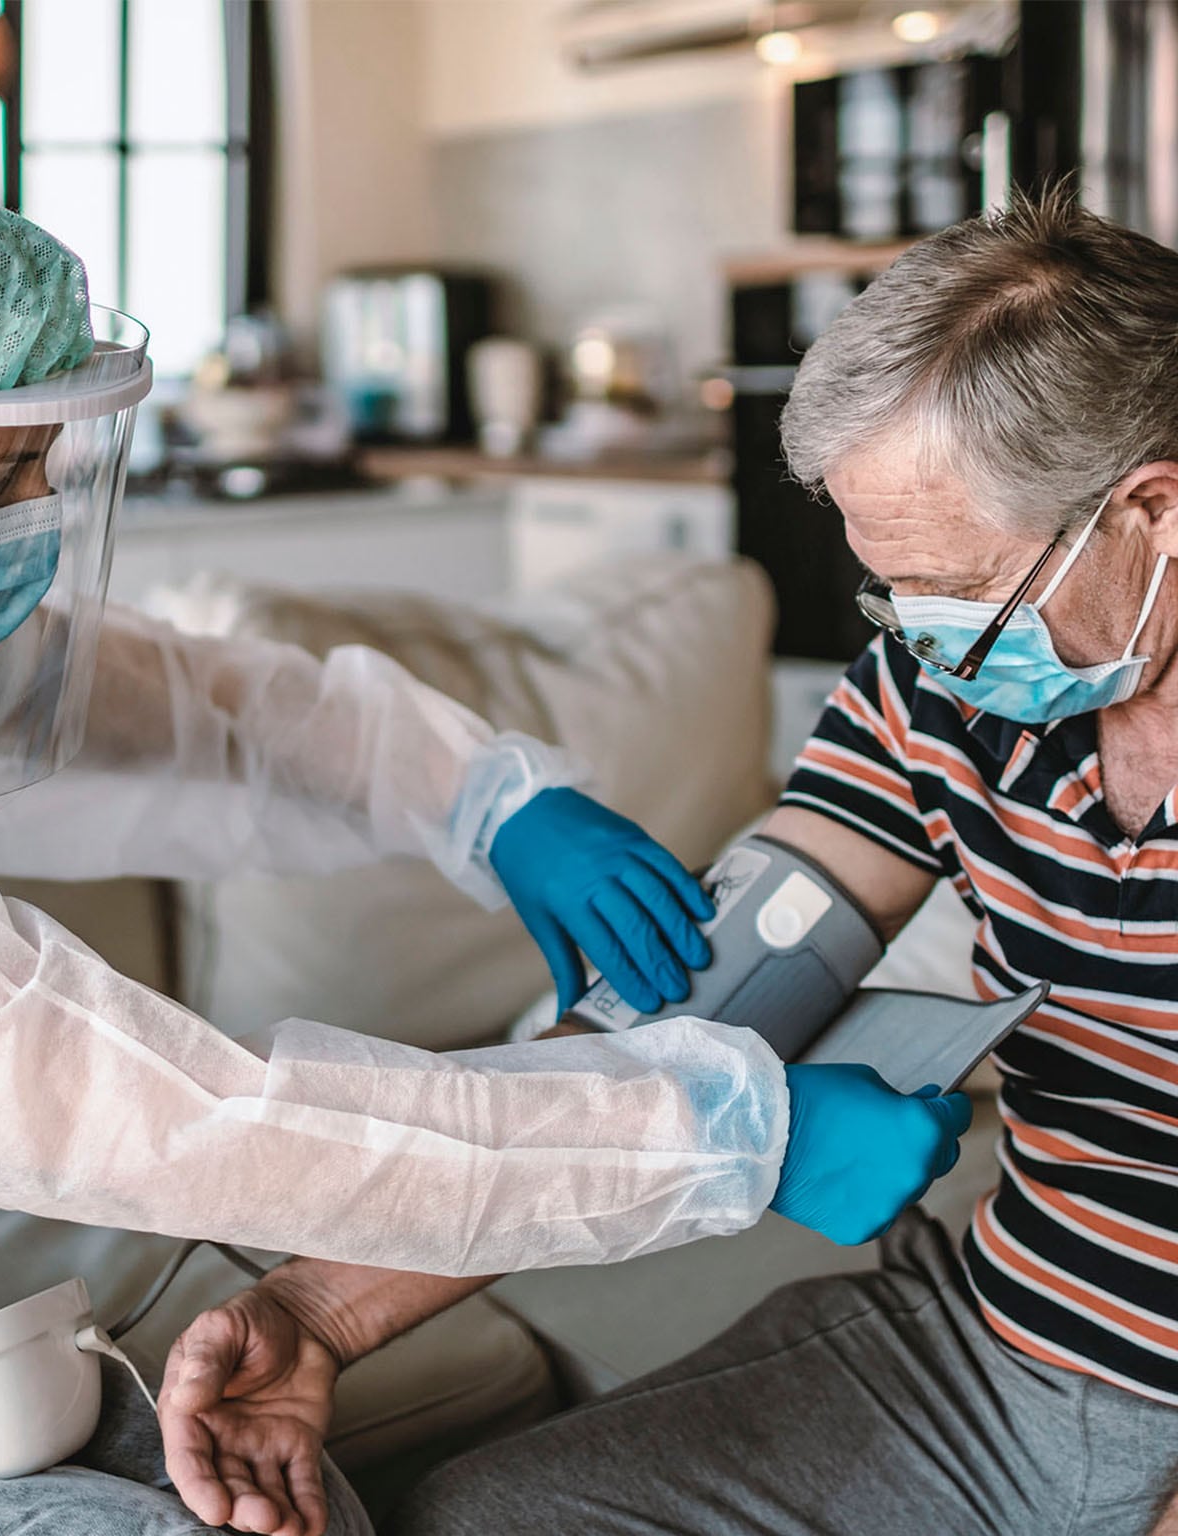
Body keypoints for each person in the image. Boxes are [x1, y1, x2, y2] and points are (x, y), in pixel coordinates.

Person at [0, 131, 965, 1534]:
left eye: (40, 468)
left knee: (277, 1496)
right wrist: (713, 1142)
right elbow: (131, 1102)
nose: (28, 520)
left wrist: (493, 801)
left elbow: (208, 714)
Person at [158, 190, 1178, 1536]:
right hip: (987, 1352)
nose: (929, 645)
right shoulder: (948, 690)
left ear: (1150, 511)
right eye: (898, 596)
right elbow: (719, 994)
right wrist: (321, 1313)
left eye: (961, 590)